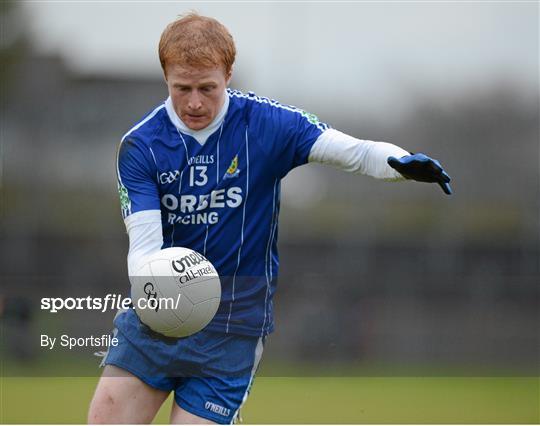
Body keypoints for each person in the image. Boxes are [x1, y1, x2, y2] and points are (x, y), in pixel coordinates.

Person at [88, 13, 451, 425]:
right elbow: (144, 249)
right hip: (156, 319)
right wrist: (164, 299)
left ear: (228, 74)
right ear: (165, 77)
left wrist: (398, 163)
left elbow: (352, 151)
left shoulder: (267, 125)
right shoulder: (142, 145)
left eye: (207, 88)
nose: (194, 102)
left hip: (231, 327)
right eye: (181, 88)